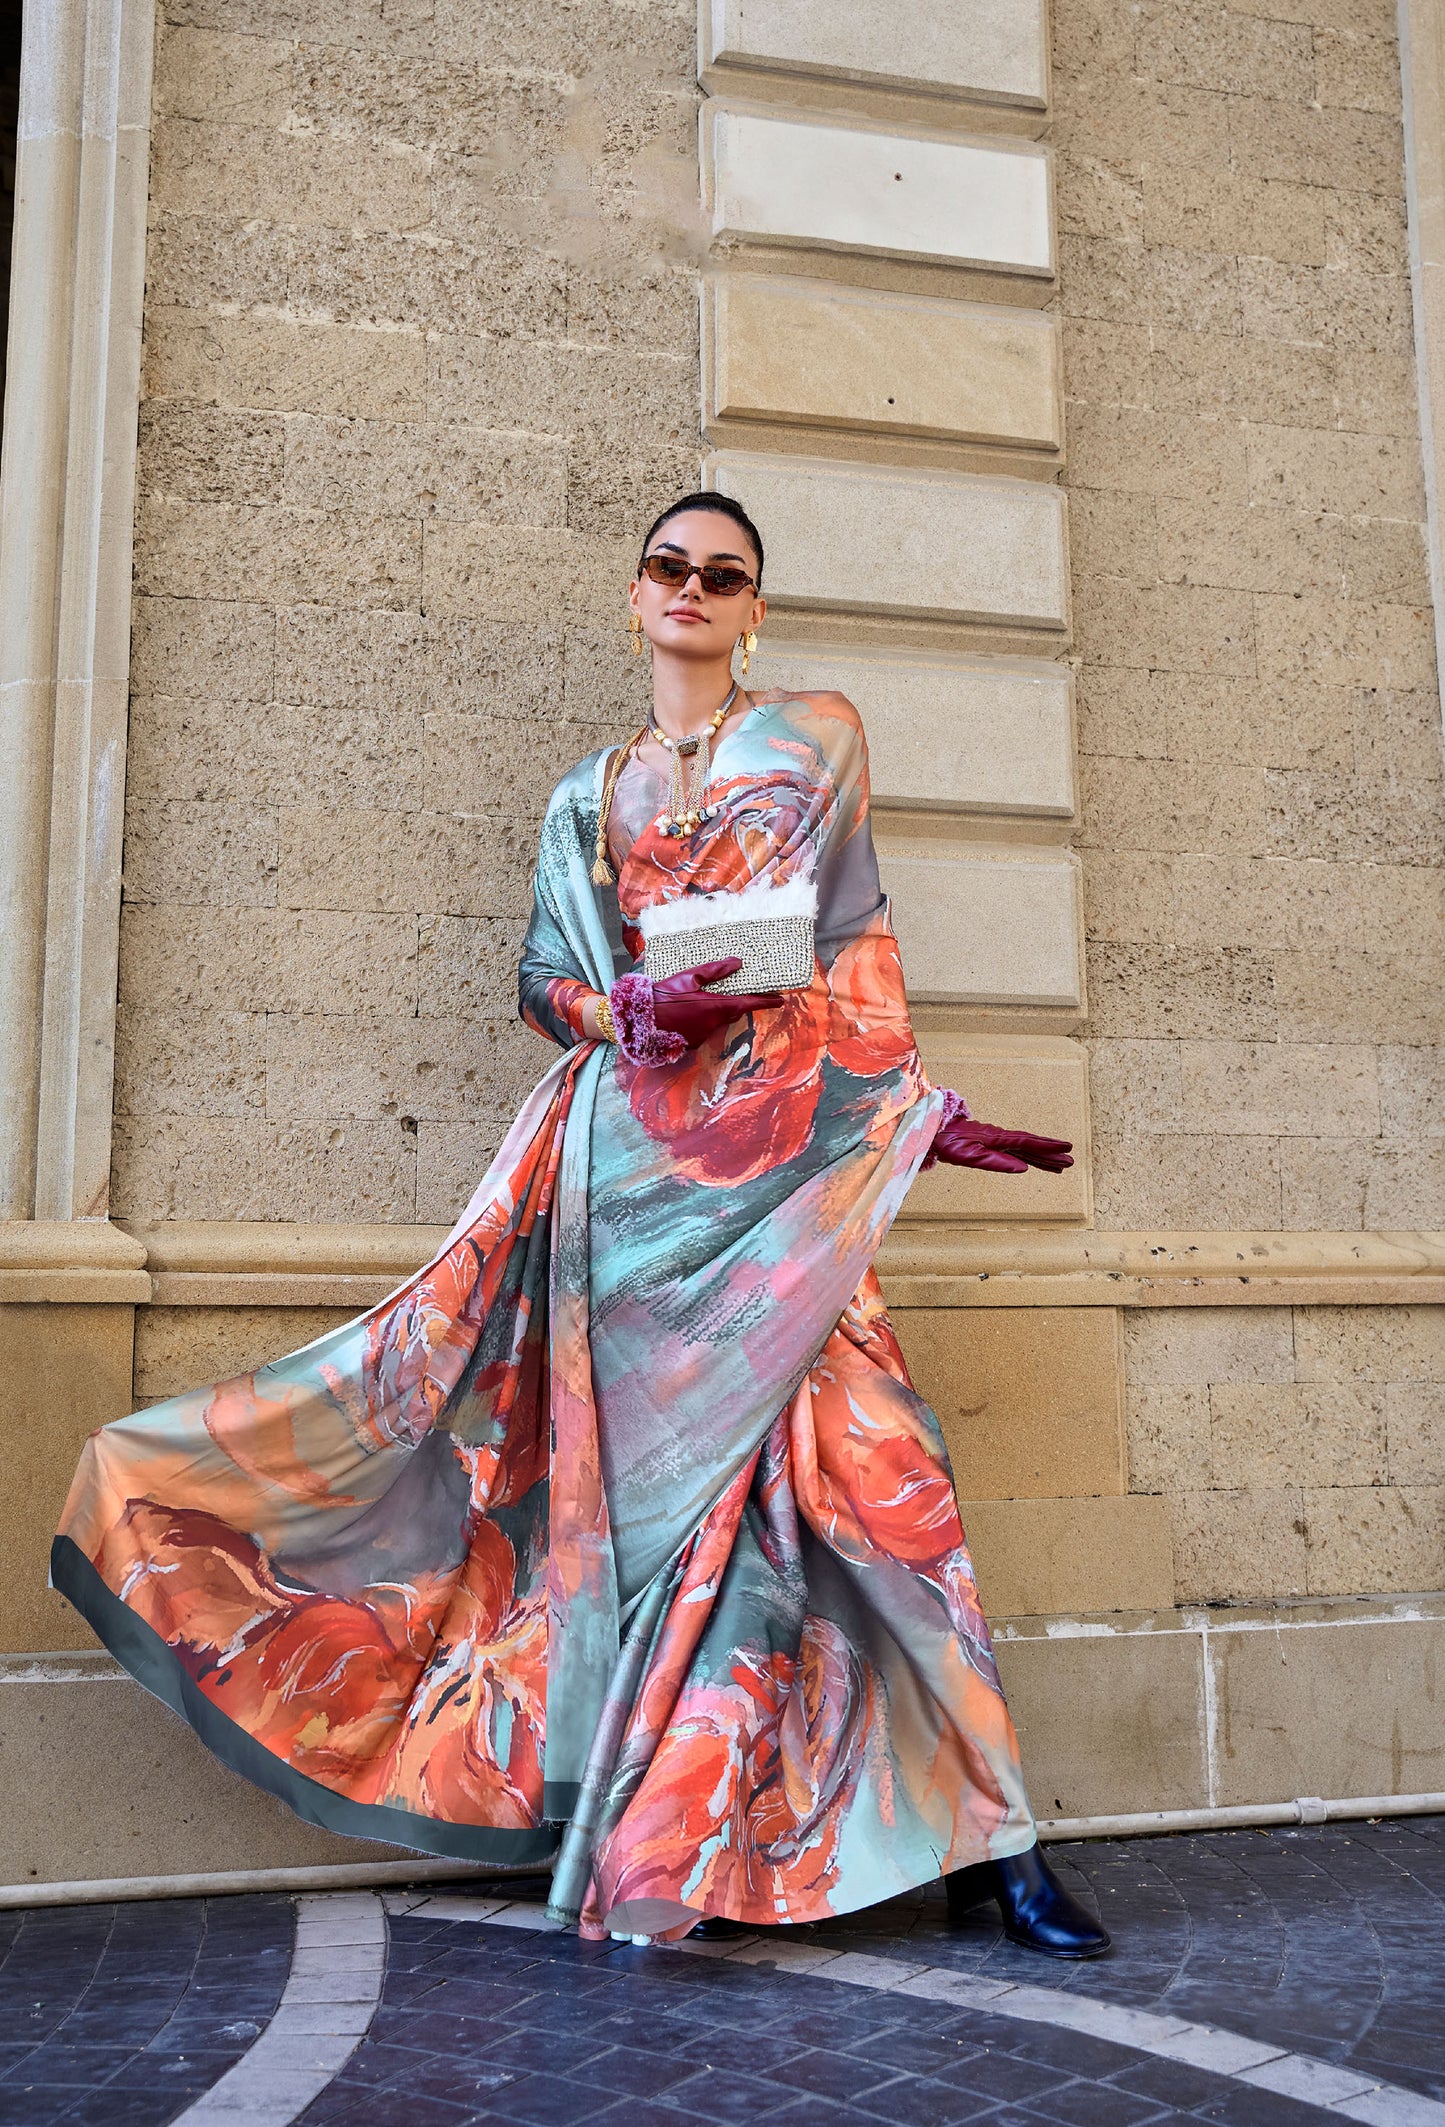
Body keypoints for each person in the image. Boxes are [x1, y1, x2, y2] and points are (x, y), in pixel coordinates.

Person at [52, 492, 1108, 1959]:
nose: (692, 588)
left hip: (779, 1190)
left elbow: (840, 949)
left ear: (754, 609)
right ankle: (678, 1834)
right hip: (627, 1191)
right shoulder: (582, 798)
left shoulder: (813, 738)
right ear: (634, 596)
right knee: (659, 1532)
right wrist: (620, 1010)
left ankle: (1000, 1846)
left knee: (888, 1493)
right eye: (669, 567)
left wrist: (910, 1118)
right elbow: (546, 977)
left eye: (723, 574)